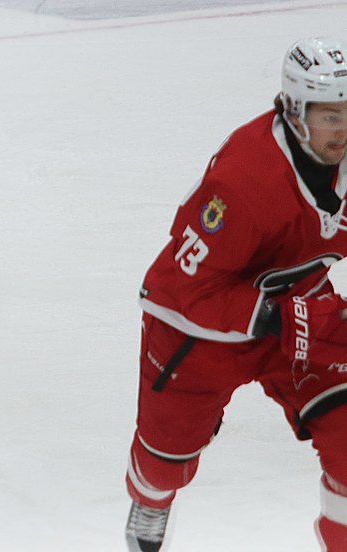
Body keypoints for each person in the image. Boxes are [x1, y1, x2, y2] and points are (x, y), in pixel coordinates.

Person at [124, 36, 347, 552]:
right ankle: (151, 498)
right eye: (328, 115)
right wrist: (277, 317)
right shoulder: (245, 181)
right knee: (166, 460)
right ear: (294, 111)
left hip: (303, 306)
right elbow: (184, 290)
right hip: (195, 327)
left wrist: (297, 316)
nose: (341, 129)